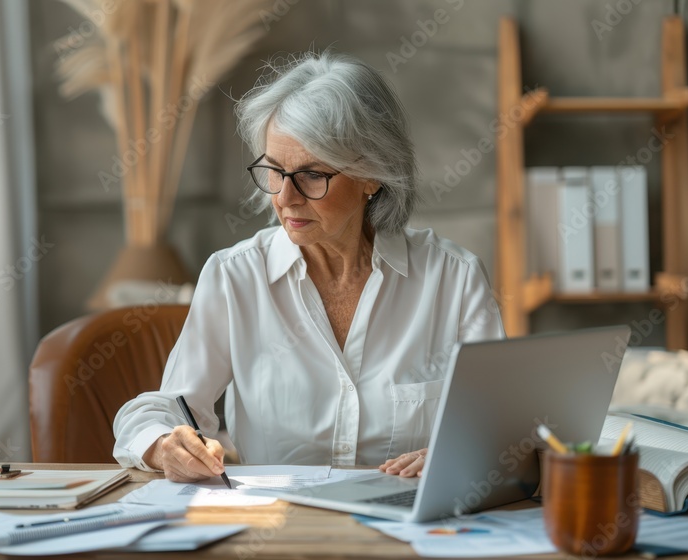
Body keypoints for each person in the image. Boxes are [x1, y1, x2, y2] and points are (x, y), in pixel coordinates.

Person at [112, 51, 504, 482]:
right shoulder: (236, 277)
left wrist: (460, 453)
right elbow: (162, 409)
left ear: (373, 177)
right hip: (279, 525)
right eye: (275, 171)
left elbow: (505, 422)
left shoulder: (453, 279)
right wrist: (164, 444)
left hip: (406, 525)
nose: (284, 197)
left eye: (312, 175)